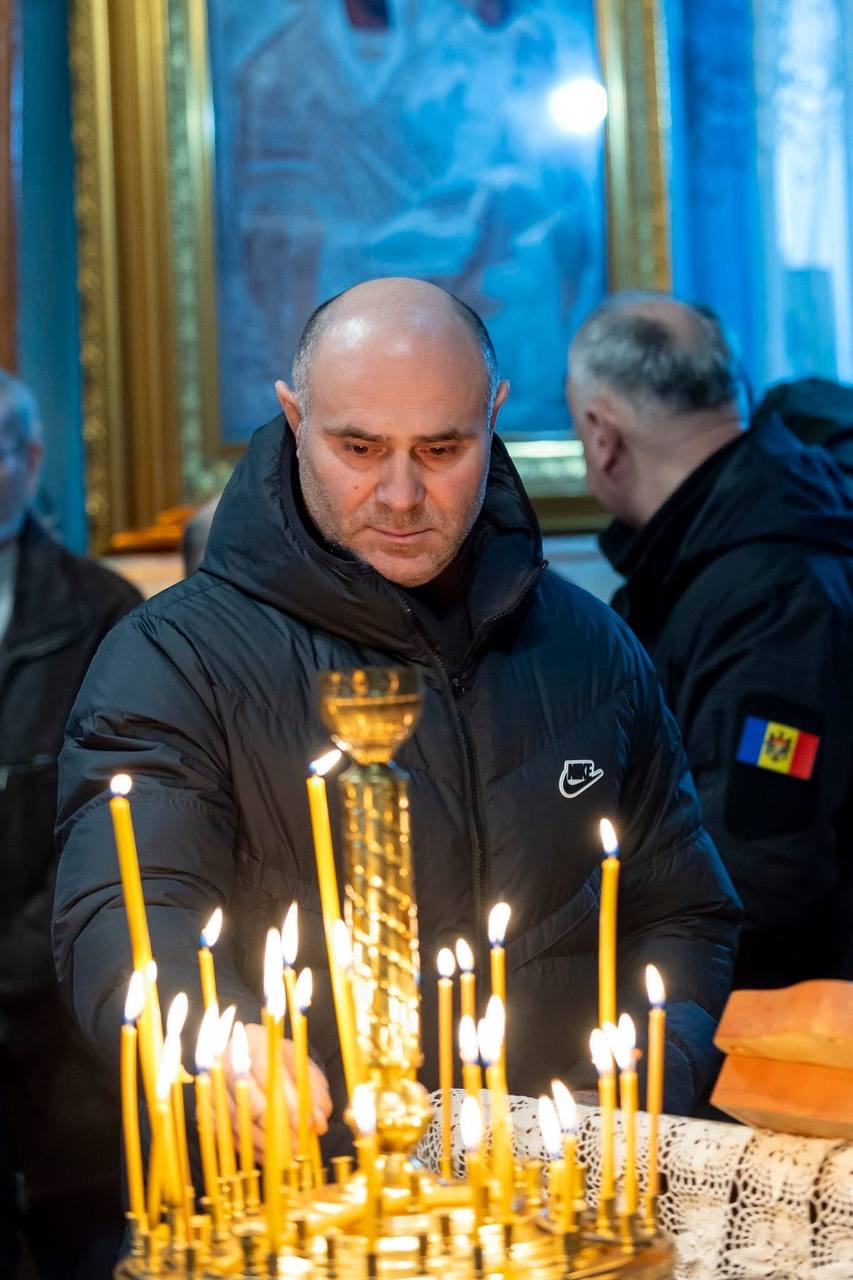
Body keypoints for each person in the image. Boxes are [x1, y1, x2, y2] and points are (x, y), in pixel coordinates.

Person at [54, 279, 740, 1169]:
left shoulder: (592, 649)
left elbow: (681, 911)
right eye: (359, 447)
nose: (402, 493)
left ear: (492, 417)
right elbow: (127, 906)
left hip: (556, 1199)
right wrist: (213, 1042)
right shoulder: (172, 657)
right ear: (294, 418)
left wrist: (637, 1078)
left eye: (442, 448)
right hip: (297, 1195)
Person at [567, 293, 853, 989]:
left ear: (602, 434)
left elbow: (763, 862)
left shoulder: (771, 591)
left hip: (781, 1015)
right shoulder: (714, 552)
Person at [0, 371, 142, 1278]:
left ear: (30, 458)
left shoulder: (103, 613)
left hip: (63, 1042)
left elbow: (117, 820)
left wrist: (12, 957)